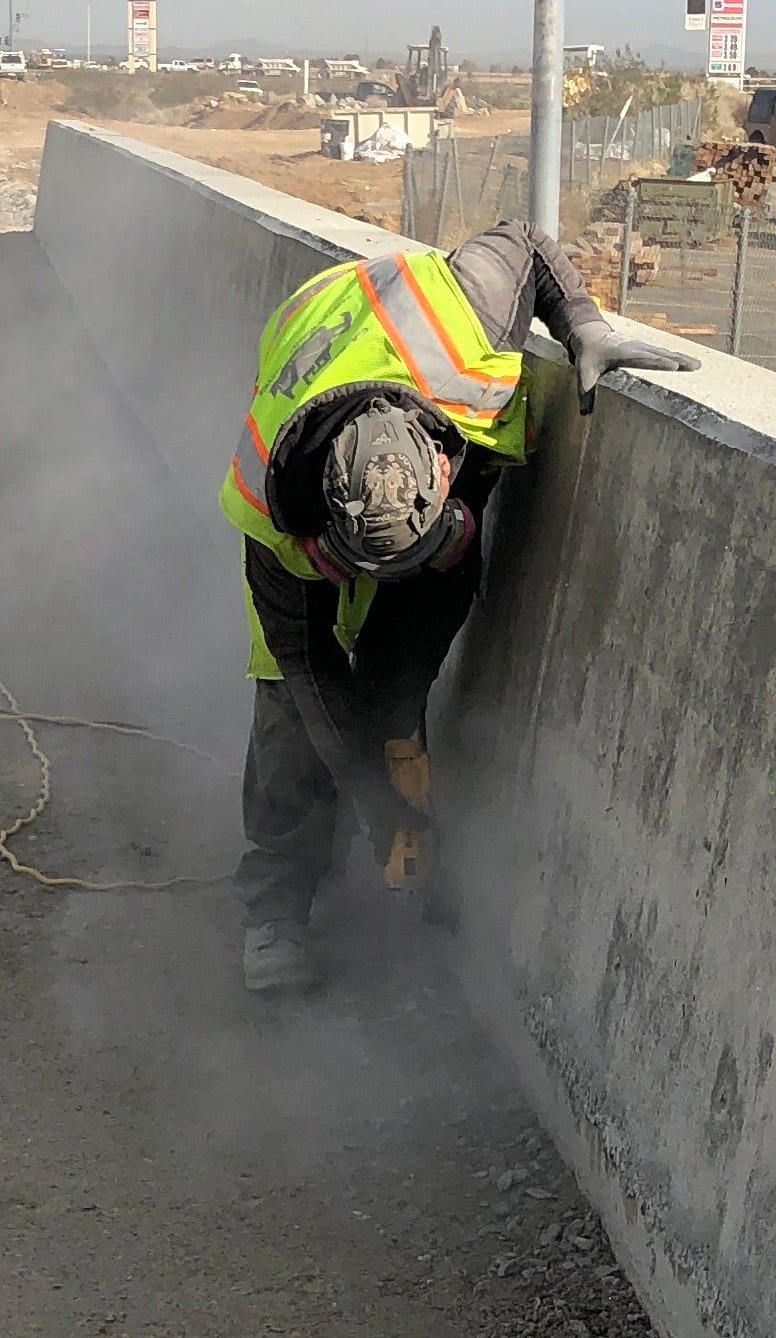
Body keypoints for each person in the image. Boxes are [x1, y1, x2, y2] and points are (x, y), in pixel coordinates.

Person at [221, 220, 694, 994]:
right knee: (291, 716)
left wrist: (585, 328)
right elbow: (312, 672)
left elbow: (528, 242)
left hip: (412, 402)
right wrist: (370, 791)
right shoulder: (267, 505)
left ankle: (412, 865)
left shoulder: (468, 311)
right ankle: (276, 908)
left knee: (394, 683)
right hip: (319, 338)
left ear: (443, 460)